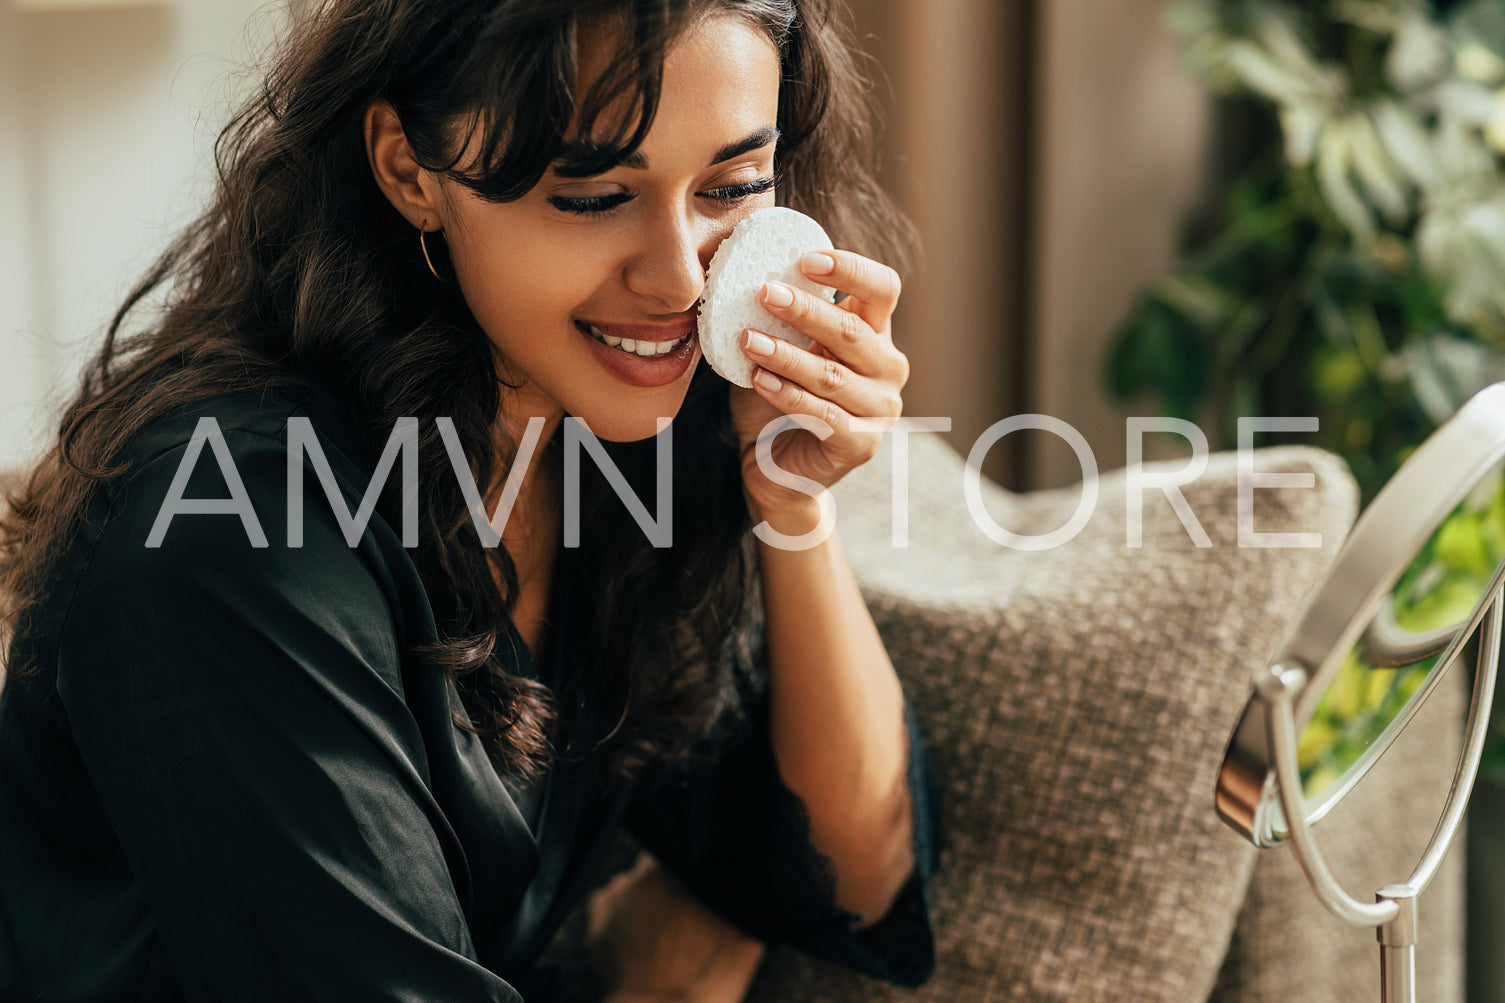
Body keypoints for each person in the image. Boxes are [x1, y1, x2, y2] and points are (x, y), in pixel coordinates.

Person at [0, 0, 939, 999]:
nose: (677, 277)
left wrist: (792, 503)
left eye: (732, 186)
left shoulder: (612, 435)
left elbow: (856, 880)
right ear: (410, 169)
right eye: (592, 193)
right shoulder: (230, 526)